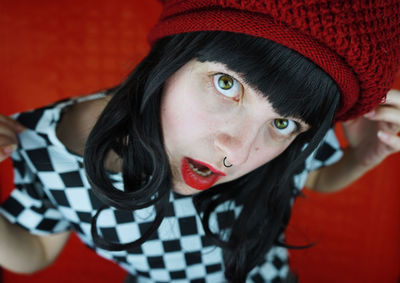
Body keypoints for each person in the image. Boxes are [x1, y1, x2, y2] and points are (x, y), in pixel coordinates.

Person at [0, 1, 400, 282]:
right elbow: (33, 252)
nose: (236, 153)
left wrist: (362, 156)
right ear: (171, 57)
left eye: (282, 122)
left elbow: (313, 179)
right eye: (227, 85)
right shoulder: (46, 149)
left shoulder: (277, 148)